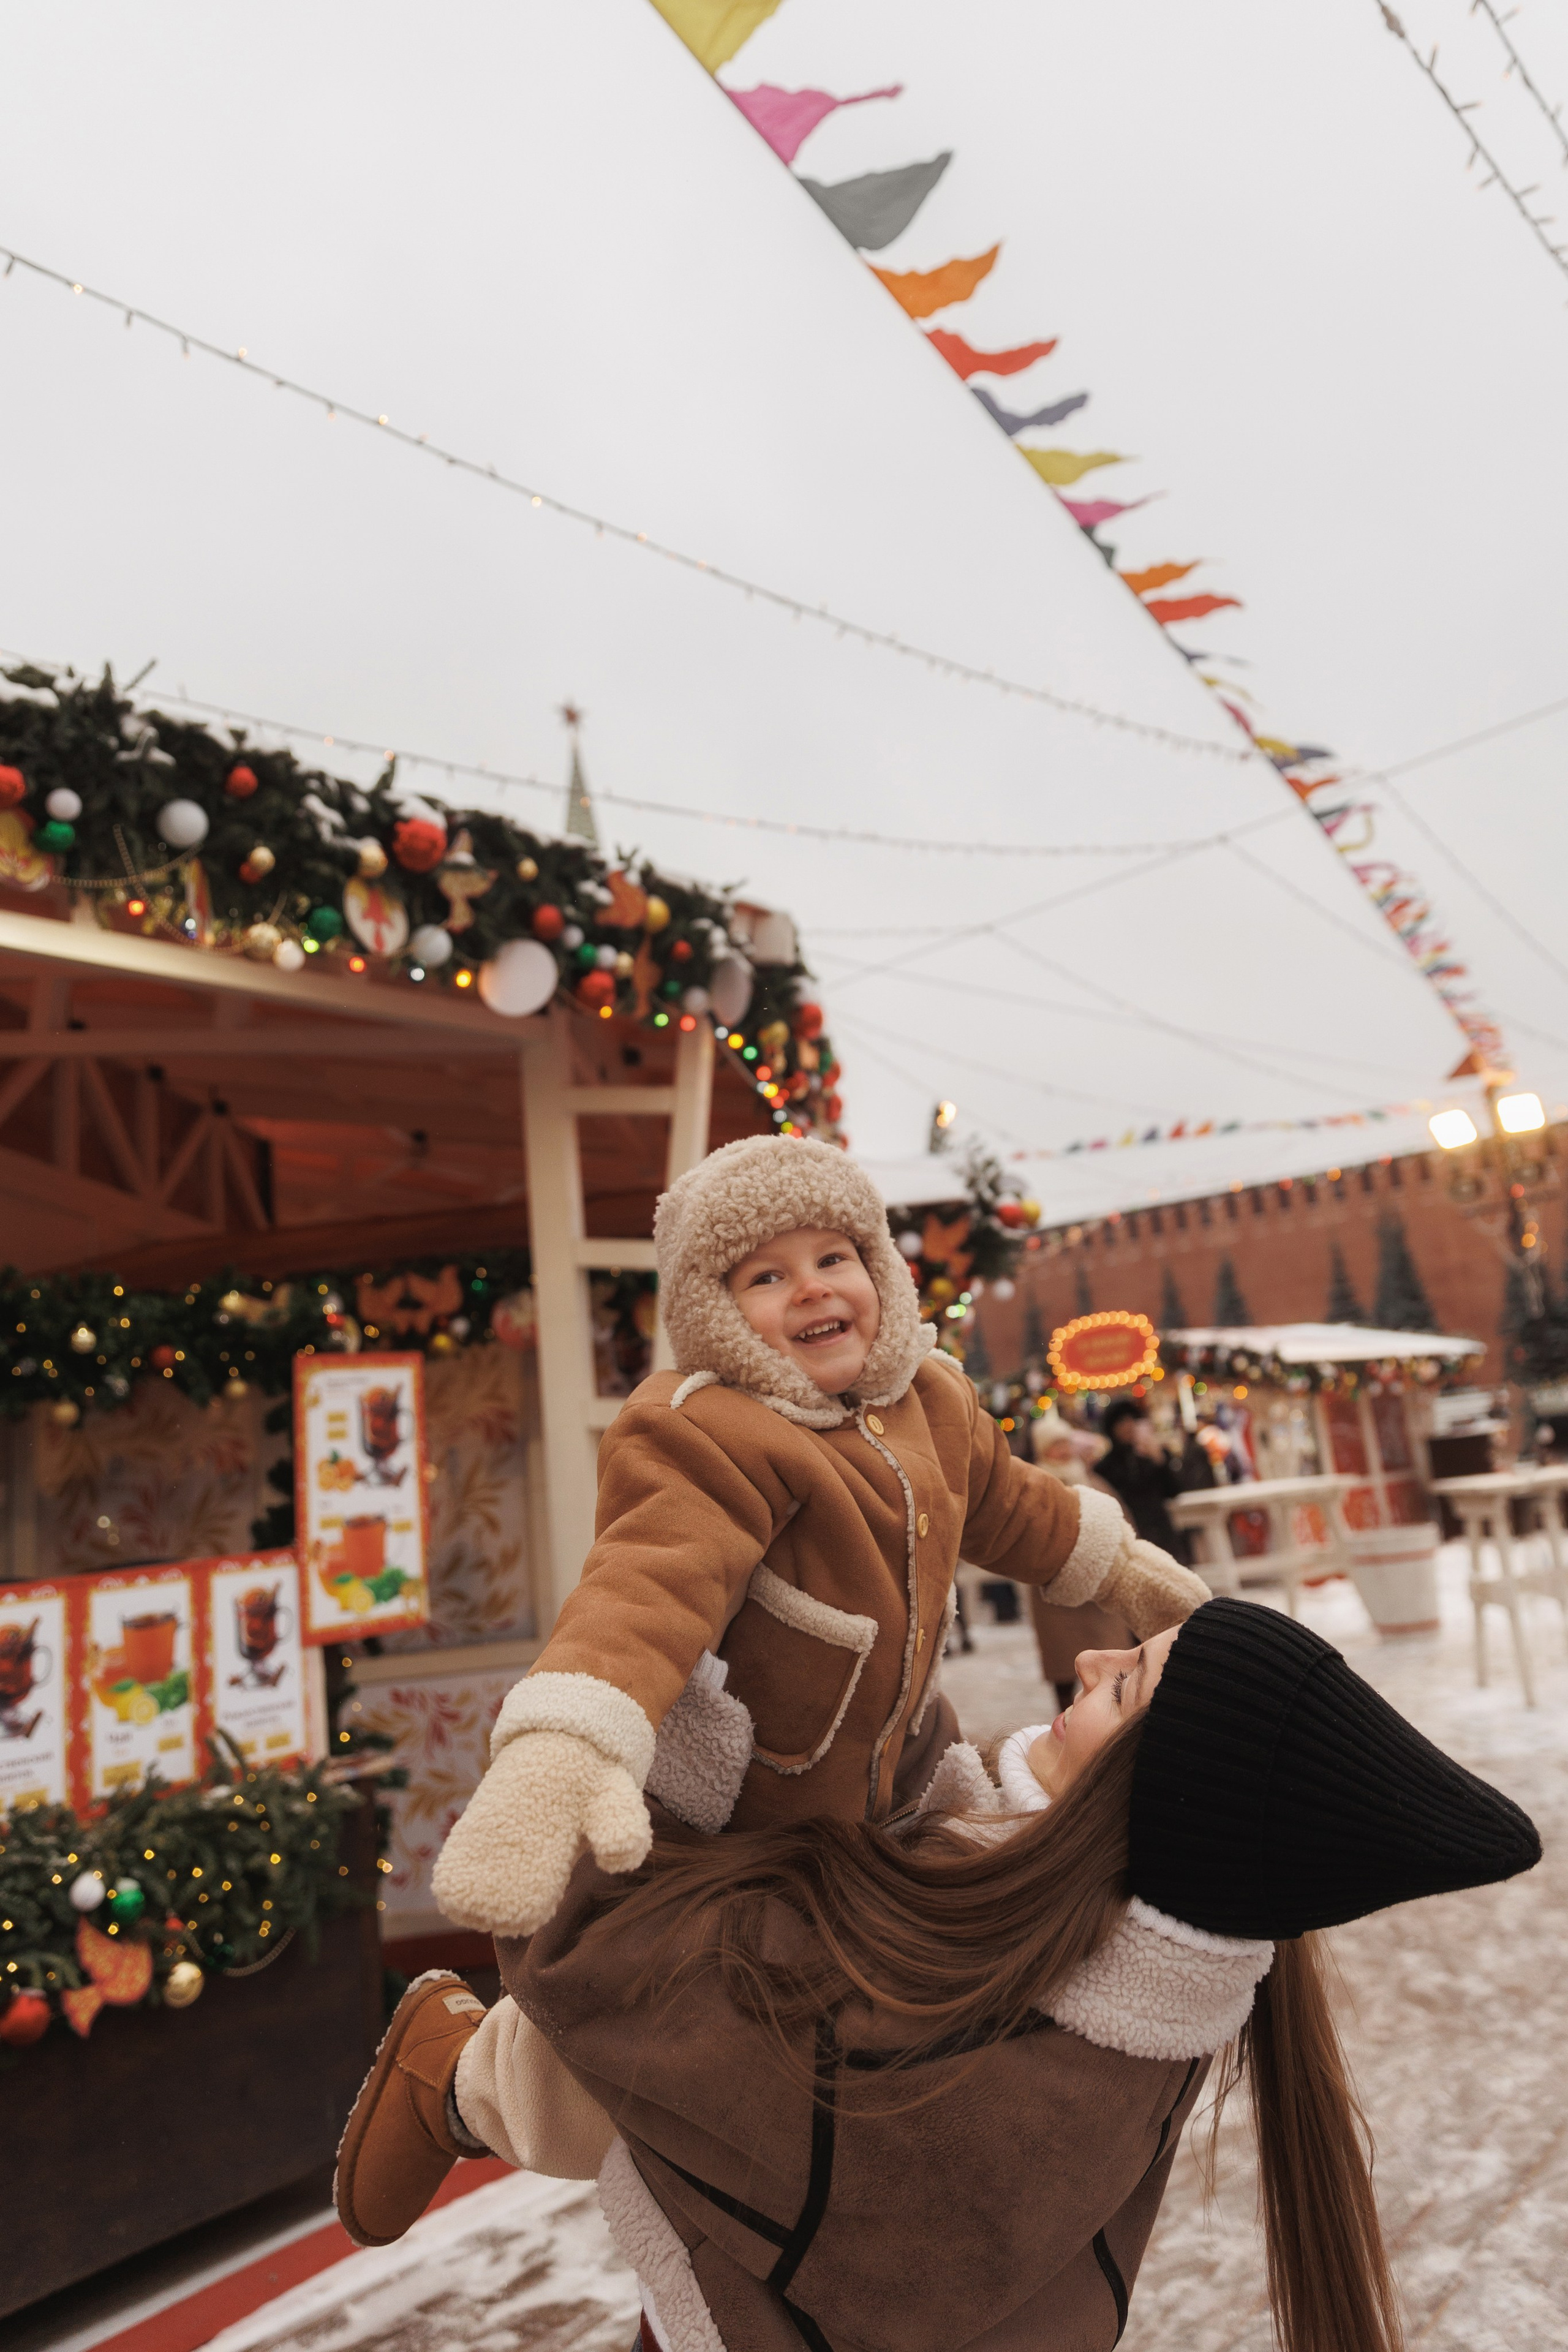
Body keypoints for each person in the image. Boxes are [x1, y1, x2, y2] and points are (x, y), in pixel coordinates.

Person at [336, 1597, 1539, 2352]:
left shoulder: (955, 2051)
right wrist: (882, 1711)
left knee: (624, 2049)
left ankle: (453, 2080)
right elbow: (958, 1862)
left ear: (1149, 1804)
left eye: (1124, 1681)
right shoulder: (1155, 1985)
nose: (1085, 1656)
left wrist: (673, 1745)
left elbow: (609, 1974)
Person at [429, 1135, 1208, 1941]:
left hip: (903, 1773)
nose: (809, 1288)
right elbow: (646, 1586)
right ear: (715, 1311)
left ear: (878, 1270)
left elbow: (1013, 1505)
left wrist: (1123, 1569)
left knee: (971, 1926)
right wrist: (566, 1743)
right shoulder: (708, 1430)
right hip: (759, 1815)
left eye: (833, 1258)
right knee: (752, 1982)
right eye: (766, 1276)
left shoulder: (932, 1400)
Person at [1027, 1407, 1129, 1714]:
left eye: (1065, 1443)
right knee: (1063, 1660)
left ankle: (1113, 1714)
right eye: (1055, 1445)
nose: (1063, 1451)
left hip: (1100, 1588)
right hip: (1055, 1590)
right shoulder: (1035, 1483)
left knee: (1111, 1655)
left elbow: (1122, 1521)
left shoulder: (1093, 1481)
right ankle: (1068, 1715)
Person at [1095, 1393, 1209, 1560]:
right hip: (1131, 1536)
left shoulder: (1152, 1456)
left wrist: (1160, 1461)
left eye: (1131, 1421)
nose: (1128, 1427)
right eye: (1121, 1423)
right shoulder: (1105, 1467)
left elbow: (1174, 1490)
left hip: (1164, 1533)